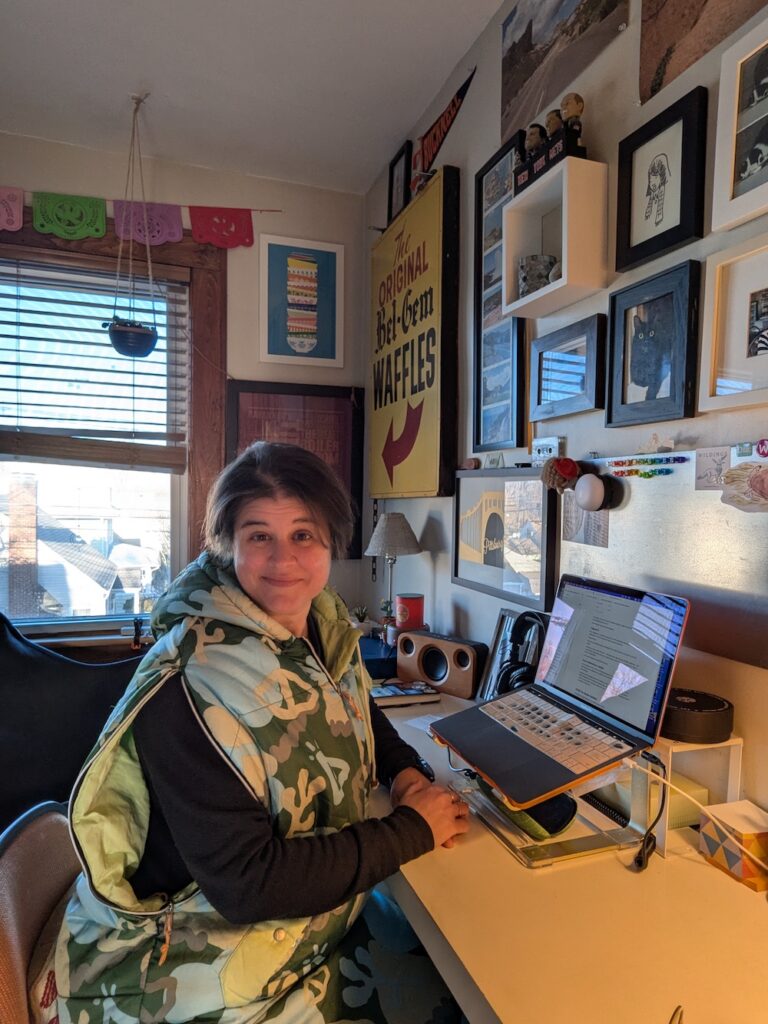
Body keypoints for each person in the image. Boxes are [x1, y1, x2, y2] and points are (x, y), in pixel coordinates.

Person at [35, 442, 470, 1024]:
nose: (283, 560)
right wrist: (413, 830)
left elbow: (356, 706)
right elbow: (249, 885)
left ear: (332, 541)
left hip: (295, 931)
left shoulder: (322, 621)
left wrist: (407, 773)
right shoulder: (189, 681)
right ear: (227, 543)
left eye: (303, 535)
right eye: (258, 535)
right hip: (180, 967)